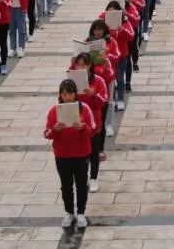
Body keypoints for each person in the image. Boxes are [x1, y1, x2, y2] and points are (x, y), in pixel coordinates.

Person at [44, 78, 95, 229]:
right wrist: (54, 130)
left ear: (75, 94)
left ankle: (80, 213)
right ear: (60, 95)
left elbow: (92, 130)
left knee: (81, 184)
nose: (67, 97)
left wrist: (82, 127)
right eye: (64, 94)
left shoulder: (84, 108)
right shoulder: (54, 111)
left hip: (81, 154)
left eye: (70, 93)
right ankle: (69, 212)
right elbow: (46, 133)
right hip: (62, 155)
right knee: (66, 186)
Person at [70, 52, 109, 193]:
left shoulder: (98, 81)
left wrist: (93, 95)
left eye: (84, 64)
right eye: (78, 64)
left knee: (93, 153)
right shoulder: (72, 81)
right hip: (77, 123)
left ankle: (93, 178)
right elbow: (64, 99)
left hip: (94, 122)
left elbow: (103, 102)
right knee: (81, 153)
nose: (81, 67)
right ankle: (84, 177)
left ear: (90, 65)